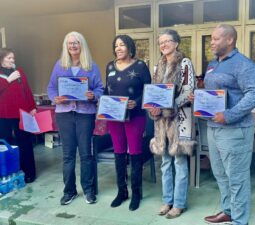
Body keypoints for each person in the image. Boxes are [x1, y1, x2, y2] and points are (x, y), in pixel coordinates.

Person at [200, 24, 255, 225]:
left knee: (237, 177)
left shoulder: (243, 64)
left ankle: (239, 220)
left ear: (230, 40)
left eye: (216, 38)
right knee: (220, 174)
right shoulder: (212, 64)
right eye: (211, 38)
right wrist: (199, 96)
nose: (211, 42)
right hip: (213, 128)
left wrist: (229, 115)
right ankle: (228, 211)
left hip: (235, 130)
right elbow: (214, 93)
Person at [47, 31, 103, 205]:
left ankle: (88, 190)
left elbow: (100, 89)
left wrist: (92, 95)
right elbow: (51, 88)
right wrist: (55, 98)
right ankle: (69, 191)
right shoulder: (59, 65)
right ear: (66, 46)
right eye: (69, 43)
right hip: (64, 114)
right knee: (68, 155)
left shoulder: (91, 66)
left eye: (76, 42)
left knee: (86, 154)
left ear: (82, 45)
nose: (73, 46)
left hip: (85, 114)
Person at [148, 29, 195, 219]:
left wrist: (168, 106)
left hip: (180, 118)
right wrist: (152, 107)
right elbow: (153, 91)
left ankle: (179, 203)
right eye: (160, 42)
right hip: (160, 121)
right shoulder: (157, 66)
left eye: (167, 41)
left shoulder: (185, 63)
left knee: (179, 161)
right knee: (165, 162)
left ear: (176, 43)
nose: (163, 45)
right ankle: (167, 200)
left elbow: (188, 90)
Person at [104, 34, 151, 211]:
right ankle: (121, 191)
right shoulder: (109, 66)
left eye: (122, 45)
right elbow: (106, 90)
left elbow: (149, 91)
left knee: (135, 153)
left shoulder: (140, 66)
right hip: (114, 117)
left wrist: (136, 102)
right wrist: (102, 101)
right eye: (116, 46)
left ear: (130, 47)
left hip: (135, 116)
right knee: (119, 152)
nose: (118, 48)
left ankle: (136, 193)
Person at [0, 48, 37, 183]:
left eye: (13, 58)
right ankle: (8, 172)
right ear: (1, 59)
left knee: (25, 142)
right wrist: (8, 80)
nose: (12, 61)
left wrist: (32, 107)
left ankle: (29, 172)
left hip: (21, 114)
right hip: (3, 116)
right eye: (9, 58)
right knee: (6, 144)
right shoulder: (3, 75)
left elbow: (27, 90)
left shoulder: (19, 72)